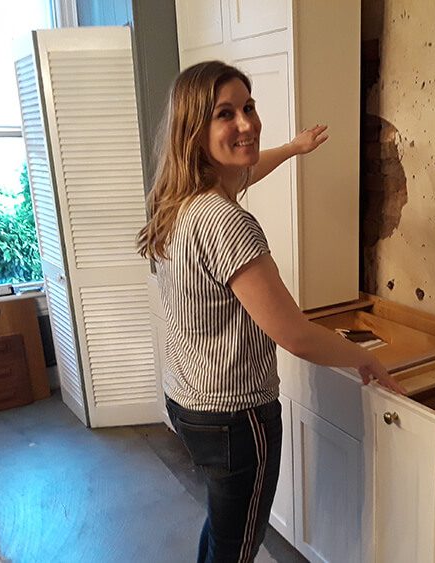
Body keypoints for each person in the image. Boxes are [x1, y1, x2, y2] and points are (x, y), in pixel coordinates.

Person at [136, 60, 405, 563]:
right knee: (238, 545)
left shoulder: (176, 202)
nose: (247, 123)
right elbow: (295, 335)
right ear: (195, 131)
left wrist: (294, 148)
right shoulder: (228, 222)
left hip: (188, 401)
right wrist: (364, 358)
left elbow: (246, 167)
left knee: (222, 527)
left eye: (249, 107)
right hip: (237, 418)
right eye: (225, 114)